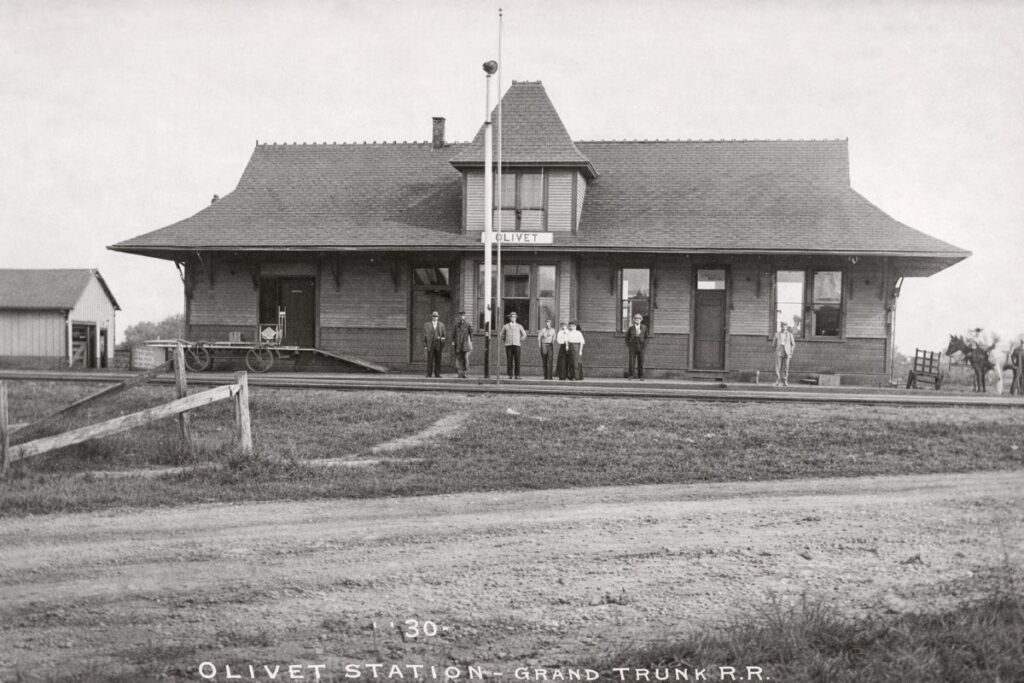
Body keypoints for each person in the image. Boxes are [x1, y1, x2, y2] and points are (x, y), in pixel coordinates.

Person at [499, 311, 528, 379]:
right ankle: (510, 375)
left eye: (514, 317)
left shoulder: (519, 326)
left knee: (517, 360)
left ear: (516, 318)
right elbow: (501, 334)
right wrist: (505, 339)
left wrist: (519, 339)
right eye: (512, 317)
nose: (513, 318)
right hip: (508, 345)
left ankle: (517, 375)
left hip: (517, 345)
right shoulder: (506, 326)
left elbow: (524, 334)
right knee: (509, 360)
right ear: (510, 318)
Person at [625, 313, 650, 380]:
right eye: (636, 318)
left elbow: (646, 337)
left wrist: (645, 345)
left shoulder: (644, 327)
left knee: (641, 361)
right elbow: (627, 337)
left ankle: (641, 376)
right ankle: (631, 375)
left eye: (639, 318)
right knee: (631, 361)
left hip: (641, 346)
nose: (637, 319)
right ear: (634, 319)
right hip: (633, 346)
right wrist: (629, 345)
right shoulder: (631, 328)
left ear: (641, 319)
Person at [771, 321, 795, 386]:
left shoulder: (790, 335)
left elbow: (793, 344)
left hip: (787, 352)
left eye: (785, 326)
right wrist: (775, 351)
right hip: (779, 351)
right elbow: (773, 344)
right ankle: (777, 381)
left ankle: (785, 381)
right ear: (781, 327)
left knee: (786, 367)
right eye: (782, 326)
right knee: (777, 367)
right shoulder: (777, 334)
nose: (783, 327)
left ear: (787, 327)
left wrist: (791, 352)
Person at [422, 311, 446, 378]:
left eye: (436, 317)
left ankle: (437, 374)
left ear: (438, 317)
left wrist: (442, 342)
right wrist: (425, 345)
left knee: (438, 359)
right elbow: (424, 336)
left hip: (438, 344)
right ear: (431, 317)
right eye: (434, 316)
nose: (435, 318)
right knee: (430, 359)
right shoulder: (427, 325)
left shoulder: (441, 325)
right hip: (430, 344)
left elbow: (444, 335)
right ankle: (429, 374)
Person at [451, 310, 474, 378]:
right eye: (460, 316)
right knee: (458, 358)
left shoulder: (467, 325)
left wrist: (471, 340)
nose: (462, 317)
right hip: (458, 343)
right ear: (459, 317)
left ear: (465, 317)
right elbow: (453, 334)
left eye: (463, 316)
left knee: (465, 358)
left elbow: (471, 333)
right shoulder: (456, 325)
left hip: (464, 344)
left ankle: (464, 372)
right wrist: (453, 341)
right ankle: (459, 373)